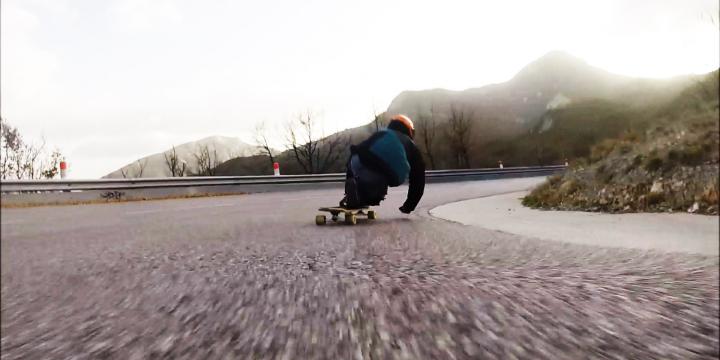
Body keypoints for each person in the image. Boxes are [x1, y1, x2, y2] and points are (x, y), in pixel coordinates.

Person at [340, 114, 425, 214]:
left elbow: (357, 150)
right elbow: (418, 180)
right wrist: (409, 206)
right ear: (409, 130)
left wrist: (349, 178)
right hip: (380, 173)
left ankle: (354, 194)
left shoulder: (381, 133)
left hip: (356, 163)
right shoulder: (410, 145)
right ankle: (367, 197)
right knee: (381, 182)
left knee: (360, 172)